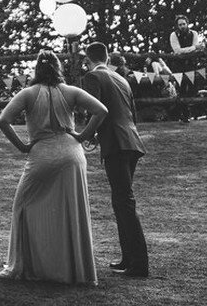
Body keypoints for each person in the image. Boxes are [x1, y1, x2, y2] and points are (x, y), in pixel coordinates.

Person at [0, 50, 108, 285]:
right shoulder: (71, 91)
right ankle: (74, 271)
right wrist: (82, 135)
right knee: (70, 211)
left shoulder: (28, 93)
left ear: (37, 69)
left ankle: (23, 266)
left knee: (23, 206)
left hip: (42, 155)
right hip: (72, 154)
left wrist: (23, 147)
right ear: (58, 68)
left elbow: (3, 120)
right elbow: (102, 111)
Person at [80, 41, 149, 278]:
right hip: (131, 141)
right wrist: (101, 135)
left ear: (87, 60)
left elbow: (98, 111)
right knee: (121, 201)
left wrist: (84, 135)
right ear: (108, 58)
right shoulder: (122, 79)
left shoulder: (92, 77)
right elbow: (130, 113)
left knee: (125, 202)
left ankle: (139, 264)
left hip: (117, 144)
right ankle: (127, 259)